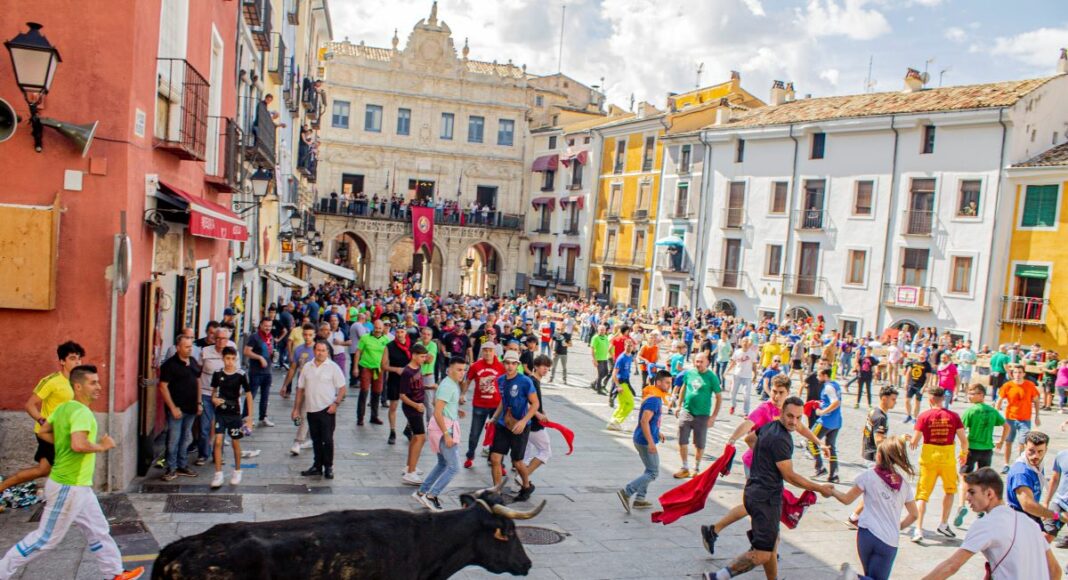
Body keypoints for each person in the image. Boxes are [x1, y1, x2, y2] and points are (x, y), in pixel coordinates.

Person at [0, 365, 144, 580]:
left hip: (79, 486)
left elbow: (43, 431)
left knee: (98, 529)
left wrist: (63, 443)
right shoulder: (82, 413)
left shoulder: (64, 408)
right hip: (68, 486)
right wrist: (102, 446)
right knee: (45, 539)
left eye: (98, 382)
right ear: (78, 386)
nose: (99, 387)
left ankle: (115, 573)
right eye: (93, 383)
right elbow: (79, 444)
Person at [702, 397, 834, 580]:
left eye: (798, 417)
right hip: (765, 500)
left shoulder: (769, 427)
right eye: (790, 416)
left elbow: (750, 439)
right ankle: (717, 577)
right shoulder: (781, 440)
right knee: (763, 553)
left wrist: (765, 455)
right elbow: (790, 476)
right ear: (782, 413)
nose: (794, 421)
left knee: (773, 543)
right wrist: (820, 488)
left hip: (753, 491)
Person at [921, 467, 1060, 580]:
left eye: (972, 492)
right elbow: (1055, 571)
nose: (967, 497)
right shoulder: (1029, 522)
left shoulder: (986, 524)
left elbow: (951, 566)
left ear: (989, 494)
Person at [0, 341, 82, 494]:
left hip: (64, 433)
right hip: (49, 433)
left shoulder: (77, 382)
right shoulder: (51, 381)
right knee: (66, 468)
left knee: (43, 470)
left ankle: (2, 487)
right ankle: (64, 499)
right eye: (72, 358)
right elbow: (30, 405)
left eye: (79, 358)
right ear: (62, 361)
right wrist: (43, 421)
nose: (77, 362)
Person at [831, 436, 918, 580]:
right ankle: (854, 578)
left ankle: (854, 578)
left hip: (866, 534)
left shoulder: (868, 476)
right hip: (888, 540)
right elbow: (914, 514)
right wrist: (898, 527)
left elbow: (846, 499)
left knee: (870, 576)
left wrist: (832, 491)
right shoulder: (904, 485)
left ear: (879, 456)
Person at [909, 386, 968, 542]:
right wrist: (963, 455)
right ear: (943, 399)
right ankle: (943, 523)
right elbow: (964, 441)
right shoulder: (954, 416)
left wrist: (908, 439)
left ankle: (918, 529)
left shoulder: (924, 416)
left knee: (922, 495)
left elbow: (915, 441)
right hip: (947, 458)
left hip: (929, 458)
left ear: (930, 399)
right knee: (950, 491)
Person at [414, 356, 468, 512]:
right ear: (449, 369)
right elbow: (437, 412)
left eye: (464, 370)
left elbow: (436, 403)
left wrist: (455, 410)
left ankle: (422, 492)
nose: (462, 373)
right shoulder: (448, 386)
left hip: (442, 426)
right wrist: (447, 434)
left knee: (443, 463)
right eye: (458, 370)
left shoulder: (450, 383)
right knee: (454, 467)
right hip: (444, 429)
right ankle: (431, 496)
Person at [618, 369, 670, 513]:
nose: (669, 386)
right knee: (653, 472)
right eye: (666, 383)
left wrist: (657, 432)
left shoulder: (656, 396)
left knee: (649, 469)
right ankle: (627, 492)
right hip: (645, 441)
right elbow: (644, 421)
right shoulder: (654, 399)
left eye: (670, 383)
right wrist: (651, 443)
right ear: (658, 382)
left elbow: (651, 421)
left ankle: (640, 499)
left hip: (644, 438)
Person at [489, 350, 539, 501]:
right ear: (503, 364)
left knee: (517, 462)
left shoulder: (525, 381)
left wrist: (523, 421)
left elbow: (535, 404)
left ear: (517, 365)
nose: (510, 366)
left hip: (520, 426)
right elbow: (503, 400)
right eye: (507, 363)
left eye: (513, 363)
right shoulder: (500, 380)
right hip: (503, 424)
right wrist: (494, 417)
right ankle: (497, 492)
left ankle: (526, 486)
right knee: (495, 458)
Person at [292, 341, 346, 480]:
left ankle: (328, 467)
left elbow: (342, 388)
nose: (320, 353)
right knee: (316, 440)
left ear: (327, 352)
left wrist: (336, 403)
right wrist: (296, 409)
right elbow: (300, 389)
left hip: (327, 409)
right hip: (311, 409)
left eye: (323, 350)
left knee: (327, 440)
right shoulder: (307, 367)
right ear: (314, 351)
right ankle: (317, 466)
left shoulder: (333, 367)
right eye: (318, 350)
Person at [953, 384, 1006, 526]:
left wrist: (962, 450)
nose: (969, 396)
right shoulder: (992, 411)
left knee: (964, 478)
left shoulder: (971, 411)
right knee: (983, 481)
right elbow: (1006, 426)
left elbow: (961, 431)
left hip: (972, 448)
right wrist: (1001, 441)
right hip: (987, 449)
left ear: (981, 395)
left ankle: (961, 505)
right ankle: (982, 508)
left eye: (972, 394)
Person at [208, 347, 253, 488]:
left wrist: (249, 418)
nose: (230, 362)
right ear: (223, 358)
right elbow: (213, 393)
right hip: (220, 413)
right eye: (227, 358)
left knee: (235, 443)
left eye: (233, 359)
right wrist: (214, 399)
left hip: (234, 414)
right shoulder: (217, 374)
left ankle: (237, 471)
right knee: (218, 441)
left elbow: (249, 395)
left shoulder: (241, 375)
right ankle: (218, 474)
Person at [158, 336, 201, 481]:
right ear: (178, 347)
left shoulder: (193, 361)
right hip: (177, 409)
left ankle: (182, 465)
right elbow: (163, 387)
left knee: (186, 438)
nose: (190, 349)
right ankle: (171, 468)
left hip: (191, 408)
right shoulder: (169, 365)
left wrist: (199, 403)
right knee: (173, 440)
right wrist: (172, 407)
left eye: (191, 346)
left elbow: (198, 381)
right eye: (186, 347)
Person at [673, 352, 722, 479]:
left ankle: (696, 467)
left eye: (701, 362)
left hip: (702, 415)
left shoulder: (712, 377)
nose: (698, 364)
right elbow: (683, 388)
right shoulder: (689, 373)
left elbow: (719, 397)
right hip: (687, 411)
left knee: (699, 444)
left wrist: (713, 417)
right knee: (682, 439)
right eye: (697, 361)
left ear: (707, 362)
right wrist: (679, 405)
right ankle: (684, 467)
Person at [195, 328, 236, 466]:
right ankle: (203, 454)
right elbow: (198, 373)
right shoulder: (205, 351)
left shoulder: (231, 351)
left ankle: (218, 455)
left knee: (220, 427)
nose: (220, 341)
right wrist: (198, 398)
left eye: (224, 338)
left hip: (223, 395)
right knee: (204, 427)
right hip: (206, 393)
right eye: (218, 338)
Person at [1005, 430, 1059, 532]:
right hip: (1019, 520)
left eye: (1040, 451)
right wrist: (1056, 515)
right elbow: (1028, 505)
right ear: (1025, 446)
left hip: (1031, 517)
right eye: (1031, 451)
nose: (1035, 456)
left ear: (1046, 450)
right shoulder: (1021, 473)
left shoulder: (1036, 464)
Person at [463, 345, 504, 468]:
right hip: (479, 405)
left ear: (494, 352)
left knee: (496, 434)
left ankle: (495, 460)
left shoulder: (501, 366)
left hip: (496, 406)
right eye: (485, 350)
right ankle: (470, 456)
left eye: (490, 350)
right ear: (482, 352)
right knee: (474, 433)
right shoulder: (475, 366)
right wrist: (462, 394)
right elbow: (468, 380)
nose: (487, 353)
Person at [515, 355, 553, 487]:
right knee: (545, 451)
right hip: (533, 424)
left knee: (525, 455)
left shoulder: (534, 381)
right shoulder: (532, 381)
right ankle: (522, 477)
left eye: (548, 367)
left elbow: (534, 402)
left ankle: (517, 485)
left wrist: (542, 411)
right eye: (543, 366)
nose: (546, 369)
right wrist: (538, 414)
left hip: (528, 423)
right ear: (536, 366)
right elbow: (525, 402)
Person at [996, 365, 1041, 472]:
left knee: (1023, 442)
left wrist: (1037, 416)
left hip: (1025, 419)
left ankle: (1019, 463)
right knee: (1008, 442)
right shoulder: (1008, 385)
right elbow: (999, 400)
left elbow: (1036, 401)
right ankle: (1006, 464)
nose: (1017, 375)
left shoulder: (1029, 385)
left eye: (1020, 372)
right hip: (1010, 418)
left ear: (1024, 374)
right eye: (1015, 372)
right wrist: (996, 415)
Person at [282, 324, 317, 456]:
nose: (307, 337)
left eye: (310, 335)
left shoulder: (319, 349)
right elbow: (293, 368)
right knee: (299, 415)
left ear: (314, 335)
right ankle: (309, 438)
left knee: (304, 414)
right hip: (301, 387)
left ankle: (298, 441)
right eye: (305, 335)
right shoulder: (298, 350)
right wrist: (285, 385)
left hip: (314, 389)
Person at [399, 343, 430, 485]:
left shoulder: (418, 368)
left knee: (416, 438)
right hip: (412, 408)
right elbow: (402, 395)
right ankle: (410, 473)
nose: (424, 359)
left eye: (425, 356)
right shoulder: (407, 372)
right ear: (414, 355)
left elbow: (417, 386)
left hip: (419, 406)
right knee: (421, 438)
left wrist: (429, 387)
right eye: (422, 356)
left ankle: (409, 466)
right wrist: (416, 405)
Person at [354, 319, 391, 426]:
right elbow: (358, 352)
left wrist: (387, 370)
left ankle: (374, 417)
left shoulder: (386, 340)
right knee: (364, 391)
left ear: (383, 328)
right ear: (373, 327)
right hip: (366, 367)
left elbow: (388, 357)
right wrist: (355, 367)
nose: (378, 330)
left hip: (379, 369)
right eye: (376, 328)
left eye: (380, 328)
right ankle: (360, 418)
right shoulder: (365, 337)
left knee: (377, 393)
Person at [810, 368, 843, 483]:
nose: (817, 377)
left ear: (825, 375)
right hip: (836, 421)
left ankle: (819, 468)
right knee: (831, 447)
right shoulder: (835, 385)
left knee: (811, 441)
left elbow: (836, 402)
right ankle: (833, 474)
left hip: (826, 421)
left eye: (819, 375)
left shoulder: (828, 387)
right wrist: (821, 404)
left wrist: (822, 412)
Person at [383, 328, 414, 445]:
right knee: (393, 406)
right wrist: (396, 369)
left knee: (411, 406)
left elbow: (418, 361)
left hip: (409, 379)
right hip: (395, 379)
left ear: (406, 333)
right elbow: (383, 366)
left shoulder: (412, 345)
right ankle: (392, 432)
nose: (400, 334)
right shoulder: (389, 346)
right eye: (397, 332)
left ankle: (408, 428)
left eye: (402, 332)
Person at [243, 319, 276, 427]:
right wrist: (259, 357)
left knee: (265, 396)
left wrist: (273, 355)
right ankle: (246, 416)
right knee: (251, 395)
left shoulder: (270, 337)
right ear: (261, 325)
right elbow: (246, 351)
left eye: (270, 326)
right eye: (266, 325)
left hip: (268, 371)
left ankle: (263, 417)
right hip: (256, 372)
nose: (268, 328)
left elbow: (269, 351)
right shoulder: (254, 337)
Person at [606, 339, 637, 431]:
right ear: (624, 346)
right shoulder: (621, 358)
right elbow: (614, 373)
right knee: (630, 404)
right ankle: (617, 421)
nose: (629, 347)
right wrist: (618, 386)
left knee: (622, 405)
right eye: (627, 345)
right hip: (622, 383)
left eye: (630, 346)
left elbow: (634, 358)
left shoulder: (630, 356)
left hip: (626, 382)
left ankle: (612, 422)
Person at [726, 337, 758, 416]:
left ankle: (745, 412)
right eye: (744, 342)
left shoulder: (752, 353)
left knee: (746, 396)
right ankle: (733, 405)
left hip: (747, 377)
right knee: (732, 393)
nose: (745, 343)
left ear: (749, 343)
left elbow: (754, 366)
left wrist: (755, 376)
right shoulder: (737, 352)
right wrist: (727, 371)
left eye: (747, 342)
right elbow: (733, 363)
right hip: (736, 375)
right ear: (741, 343)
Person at [903, 352, 934, 424]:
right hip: (911, 384)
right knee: (907, 400)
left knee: (917, 402)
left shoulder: (927, 365)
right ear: (918, 354)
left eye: (924, 354)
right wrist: (906, 383)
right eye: (921, 354)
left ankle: (915, 417)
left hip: (920, 386)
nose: (922, 355)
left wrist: (924, 387)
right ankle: (908, 415)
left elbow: (928, 378)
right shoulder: (913, 362)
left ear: (926, 355)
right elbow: (908, 373)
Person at [589, 325, 611, 394]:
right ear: (598, 330)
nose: (602, 331)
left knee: (606, 373)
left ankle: (593, 383)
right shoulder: (595, 337)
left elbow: (608, 346)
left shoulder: (606, 337)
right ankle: (599, 389)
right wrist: (594, 359)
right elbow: (592, 349)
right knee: (600, 374)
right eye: (601, 330)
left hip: (604, 358)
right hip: (598, 358)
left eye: (603, 330)